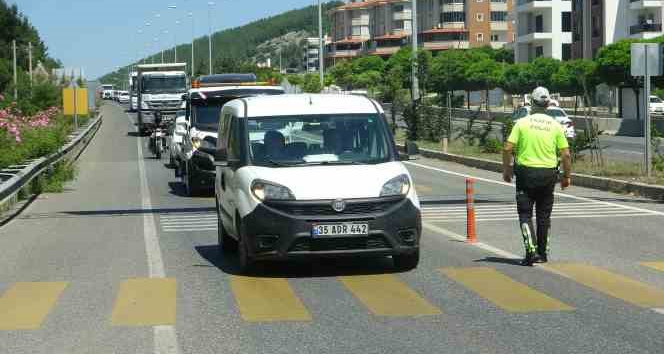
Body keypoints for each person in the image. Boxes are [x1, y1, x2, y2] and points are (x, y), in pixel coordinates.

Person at [502, 87, 572, 266]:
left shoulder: (522, 123)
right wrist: (566, 177)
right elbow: (565, 154)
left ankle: (530, 251)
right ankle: (543, 253)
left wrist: (507, 169)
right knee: (544, 216)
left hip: (526, 174)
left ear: (531, 103)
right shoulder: (555, 125)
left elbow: (507, 148)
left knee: (525, 214)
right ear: (548, 104)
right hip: (549, 175)